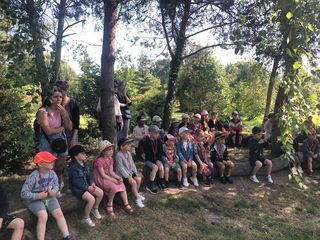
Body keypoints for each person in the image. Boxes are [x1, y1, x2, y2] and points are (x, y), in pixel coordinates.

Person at [20, 152, 73, 240]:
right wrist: (37, 196)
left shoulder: (52, 173)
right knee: (43, 215)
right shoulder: (33, 176)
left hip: (49, 197)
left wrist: (54, 191)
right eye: (49, 161)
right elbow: (23, 193)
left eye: (52, 161)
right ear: (40, 164)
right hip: (35, 200)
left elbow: (56, 185)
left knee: (59, 213)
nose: (52, 162)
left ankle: (66, 236)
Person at [36, 87, 73, 192]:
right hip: (47, 141)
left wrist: (65, 114)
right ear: (50, 98)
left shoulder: (61, 110)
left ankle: (56, 188)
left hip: (61, 140)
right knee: (47, 167)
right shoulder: (43, 112)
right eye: (56, 96)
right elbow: (48, 131)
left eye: (60, 97)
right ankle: (44, 191)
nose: (59, 99)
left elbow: (70, 126)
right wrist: (62, 128)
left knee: (59, 167)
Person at [93, 140, 133, 217]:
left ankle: (126, 203)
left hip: (108, 176)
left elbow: (111, 172)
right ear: (103, 152)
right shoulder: (99, 161)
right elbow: (102, 175)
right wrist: (113, 180)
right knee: (113, 187)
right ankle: (109, 204)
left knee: (121, 183)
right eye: (109, 150)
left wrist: (118, 177)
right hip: (101, 178)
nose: (111, 151)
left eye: (112, 149)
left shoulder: (110, 159)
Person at [68, 145, 104, 227]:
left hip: (87, 186)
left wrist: (92, 183)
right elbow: (76, 182)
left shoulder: (85, 163)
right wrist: (87, 188)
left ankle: (95, 209)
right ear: (76, 156)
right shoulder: (73, 167)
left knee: (100, 193)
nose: (85, 155)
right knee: (91, 199)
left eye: (85, 153)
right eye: (82, 153)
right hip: (77, 189)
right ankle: (86, 218)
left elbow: (89, 175)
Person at [116, 138, 145, 208]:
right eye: (128, 144)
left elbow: (132, 164)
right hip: (123, 175)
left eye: (130, 144)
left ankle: (135, 194)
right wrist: (128, 177)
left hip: (130, 173)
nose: (130, 146)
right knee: (134, 182)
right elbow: (120, 168)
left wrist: (136, 172)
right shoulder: (118, 155)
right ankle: (137, 198)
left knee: (138, 179)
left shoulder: (128, 153)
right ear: (121, 147)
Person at [55, 81, 80, 148]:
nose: (59, 95)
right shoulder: (54, 103)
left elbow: (76, 124)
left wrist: (74, 139)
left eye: (61, 92)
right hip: (56, 137)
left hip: (70, 136)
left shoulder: (73, 104)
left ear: (65, 91)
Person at [143, 125, 165, 194]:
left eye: (158, 133)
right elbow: (147, 154)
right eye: (155, 133)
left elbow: (160, 152)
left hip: (157, 160)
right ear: (150, 133)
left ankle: (161, 181)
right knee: (155, 167)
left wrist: (158, 160)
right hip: (149, 160)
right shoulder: (146, 142)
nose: (157, 134)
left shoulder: (159, 142)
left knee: (161, 167)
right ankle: (150, 184)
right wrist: (156, 162)